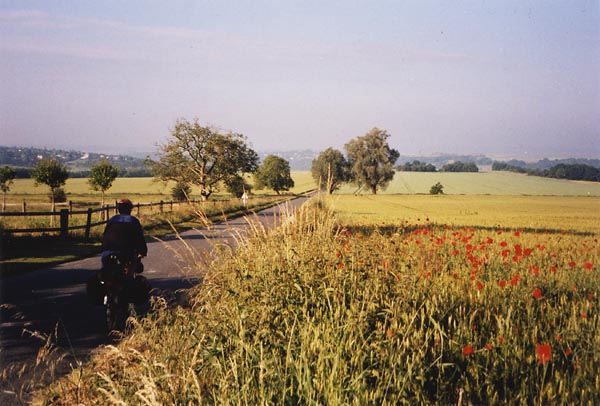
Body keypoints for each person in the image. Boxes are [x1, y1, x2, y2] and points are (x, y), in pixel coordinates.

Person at [102, 198, 147, 272]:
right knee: (131, 268)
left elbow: (105, 235)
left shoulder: (112, 220)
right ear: (130, 209)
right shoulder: (133, 220)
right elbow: (139, 237)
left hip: (107, 252)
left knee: (106, 271)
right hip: (126, 252)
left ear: (119, 209)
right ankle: (129, 280)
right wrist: (143, 251)